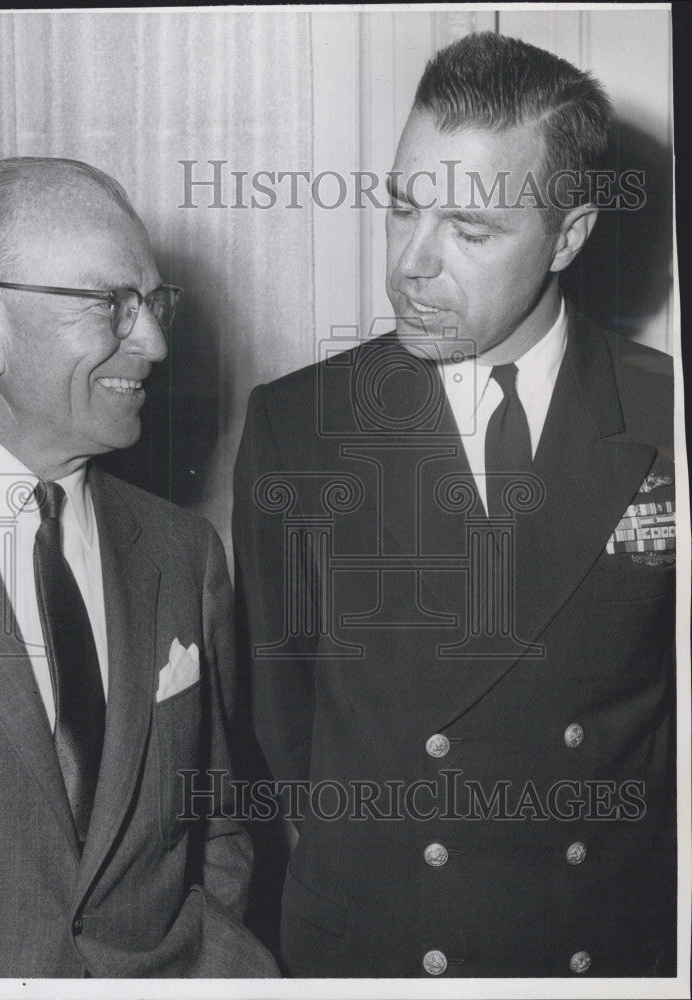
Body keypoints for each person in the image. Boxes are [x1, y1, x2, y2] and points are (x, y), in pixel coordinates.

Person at [234, 33, 676, 978]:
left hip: (602, 955)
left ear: (569, 234)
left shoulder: (666, 416)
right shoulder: (297, 428)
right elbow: (280, 732)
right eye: (402, 211)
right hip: (386, 956)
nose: (410, 266)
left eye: (470, 232)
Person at [0, 157, 277, 978]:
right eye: (110, 304)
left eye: (152, 303)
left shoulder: (183, 553)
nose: (153, 341)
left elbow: (214, 820)